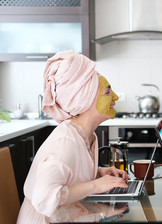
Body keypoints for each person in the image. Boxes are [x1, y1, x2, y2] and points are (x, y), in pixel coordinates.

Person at [17, 50, 130, 224]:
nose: (115, 97)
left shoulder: (88, 135)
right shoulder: (65, 141)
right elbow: (44, 199)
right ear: (85, 99)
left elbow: (69, 175)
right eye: (107, 92)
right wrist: (95, 185)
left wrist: (99, 174)